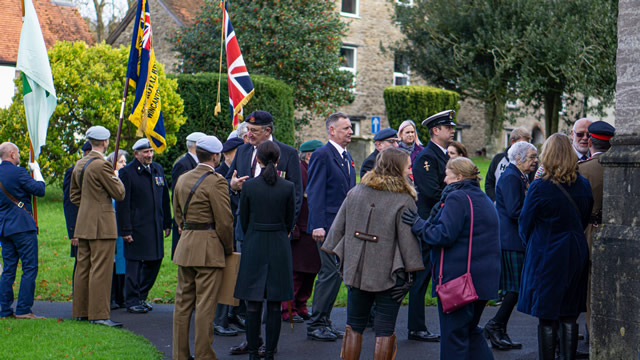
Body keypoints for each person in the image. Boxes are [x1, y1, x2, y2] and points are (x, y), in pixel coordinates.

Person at [323, 147, 425, 359]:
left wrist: (341, 261)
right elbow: (408, 242)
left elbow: (336, 232)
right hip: (390, 274)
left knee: (354, 325)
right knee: (385, 328)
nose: (410, 170)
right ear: (396, 168)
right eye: (408, 166)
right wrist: (411, 274)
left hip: (356, 270)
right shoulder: (404, 199)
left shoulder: (356, 192)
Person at [403, 157, 501, 360]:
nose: (444, 181)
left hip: (460, 281)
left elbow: (443, 235)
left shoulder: (457, 198)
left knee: (453, 338)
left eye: (447, 175)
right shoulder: (481, 198)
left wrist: (418, 224)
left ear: (459, 176)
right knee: (471, 332)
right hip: (484, 281)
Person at [227, 110, 302, 355]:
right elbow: (231, 185)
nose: (248, 135)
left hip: (276, 235)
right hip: (248, 233)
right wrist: (234, 187)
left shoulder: (288, 154)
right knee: (251, 292)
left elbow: (296, 197)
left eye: (254, 131)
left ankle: (270, 346)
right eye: (247, 130)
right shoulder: (243, 151)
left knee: (271, 294)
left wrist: (286, 230)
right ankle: (253, 340)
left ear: (267, 131)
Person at [517, 133, 593, 360]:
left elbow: (524, 224)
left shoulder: (540, 187)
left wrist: (534, 242)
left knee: (547, 315)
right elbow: (585, 215)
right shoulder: (584, 184)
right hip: (575, 250)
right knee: (569, 314)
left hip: (547, 252)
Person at [172, 135, 234, 360]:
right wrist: (228, 248)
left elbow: (178, 214)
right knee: (205, 306)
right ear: (216, 156)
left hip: (186, 246)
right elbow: (224, 222)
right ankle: (204, 354)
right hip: (208, 249)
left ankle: (180, 354)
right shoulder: (216, 181)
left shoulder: (183, 178)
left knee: (182, 304)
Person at [306, 112, 357, 342]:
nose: (350, 131)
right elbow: (315, 192)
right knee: (329, 273)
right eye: (345, 128)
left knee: (336, 274)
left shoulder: (346, 156)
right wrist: (317, 225)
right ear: (332, 131)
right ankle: (316, 323)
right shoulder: (322, 155)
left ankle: (324, 321)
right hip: (326, 227)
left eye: (350, 128)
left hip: (342, 226)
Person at [483, 141, 538, 350]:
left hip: (513, 239)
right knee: (514, 288)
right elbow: (516, 211)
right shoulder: (512, 177)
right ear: (519, 158)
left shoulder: (518, 176)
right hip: (511, 240)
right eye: (532, 157)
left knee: (514, 288)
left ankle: (498, 328)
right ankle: (495, 325)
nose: (535, 161)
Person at [408, 109, 457, 343]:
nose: (452, 130)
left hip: (439, 222)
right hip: (430, 223)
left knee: (434, 276)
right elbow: (431, 192)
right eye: (448, 127)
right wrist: (454, 202)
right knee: (421, 278)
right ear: (436, 131)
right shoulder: (427, 157)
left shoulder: (443, 155)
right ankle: (416, 327)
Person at [70, 126, 126, 327]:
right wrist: (117, 176)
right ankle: (99, 314)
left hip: (83, 223)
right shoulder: (102, 165)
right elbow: (119, 193)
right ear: (105, 142)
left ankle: (81, 311)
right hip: (102, 224)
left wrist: (88, 207)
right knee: (101, 269)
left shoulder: (80, 163)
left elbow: (74, 196)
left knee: (83, 267)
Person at [116, 138, 172, 314]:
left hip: (154, 226)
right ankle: (132, 300)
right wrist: (125, 230)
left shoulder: (157, 169)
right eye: (146, 152)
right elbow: (122, 204)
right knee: (134, 264)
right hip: (136, 227)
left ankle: (141, 296)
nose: (150, 155)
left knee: (155, 261)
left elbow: (164, 198)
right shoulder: (128, 172)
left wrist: (167, 222)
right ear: (136, 154)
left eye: (151, 151)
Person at [578, 121, 615, 343]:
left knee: (593, 290)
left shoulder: (583, 169)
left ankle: (595, 337)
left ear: (590, 141)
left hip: (591, 232)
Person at [0, 142, 46, 320]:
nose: (19, 157)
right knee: (29, 267)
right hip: (22, 227)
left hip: (4, 228)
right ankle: (24, 309)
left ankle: (4, 310)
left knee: (9, 270)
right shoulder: (18, 172)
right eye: (18, 153)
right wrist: (37, 171)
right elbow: (40, 190)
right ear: (12, 154)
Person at [282, 139, 323, 323]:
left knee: (310, 272)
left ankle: (301, 305)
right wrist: (294, 227)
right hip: (301, 229)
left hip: (314, 229)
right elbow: (293, 200)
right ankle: (288, 309)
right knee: (296, 273)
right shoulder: (299, 171)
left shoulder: (315, 170)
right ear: (309, 155)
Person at [214, 135, 245, 337]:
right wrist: (232, 189)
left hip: (238, 230)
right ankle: (219, 320)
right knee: (225, 277)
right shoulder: (219, 175)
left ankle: (233, 314)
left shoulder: (239, 172)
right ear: (229, 154)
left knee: (236, 276)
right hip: (225, 232)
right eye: (238, 153)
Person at [171, 132, 206, 259]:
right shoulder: (182, 164)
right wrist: (180, 221)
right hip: (186, 219)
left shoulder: (197, 162)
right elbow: (177, 194)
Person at [63, 141, 92, 287]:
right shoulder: (73, 171)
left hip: (94, 224)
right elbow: (70, 203)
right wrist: (73, 231)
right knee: (81, 263)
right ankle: (79, 297)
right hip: (80, 225)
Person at [106, 150, 129, 310]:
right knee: (113, 261)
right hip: (110, 225)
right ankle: (112, 296)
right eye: (121, 161)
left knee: (123, 261)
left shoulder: (125, 179)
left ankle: (123, 296)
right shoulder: (109, 179)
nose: (124, 164)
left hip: (123, 226)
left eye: (125, 161)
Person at [485, 127, 533, 202]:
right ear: (513, 142)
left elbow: (532, 185)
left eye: (527, 145)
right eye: (522, 144)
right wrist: (495, 201)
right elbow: (489, 183)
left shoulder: (530, 162)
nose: (525, 148)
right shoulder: (498, 159)